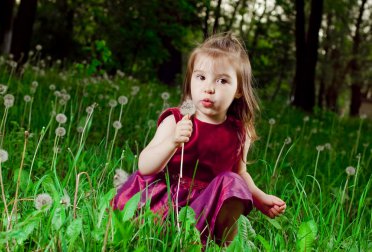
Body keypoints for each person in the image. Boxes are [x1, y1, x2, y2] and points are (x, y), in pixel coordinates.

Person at [112, 33, 286, 244]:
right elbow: (145, 166)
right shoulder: (177, 119)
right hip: (164, 203)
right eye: (201, 77)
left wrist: (259, 198)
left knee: (232, 181)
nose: (209, 88)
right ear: (191, 78)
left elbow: (240, 174)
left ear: (239, 90)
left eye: (222, 80)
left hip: (205, 205)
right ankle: (159, 235)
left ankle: (220, 244)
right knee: (144, 232)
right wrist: (173, 142)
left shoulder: (240, 131)